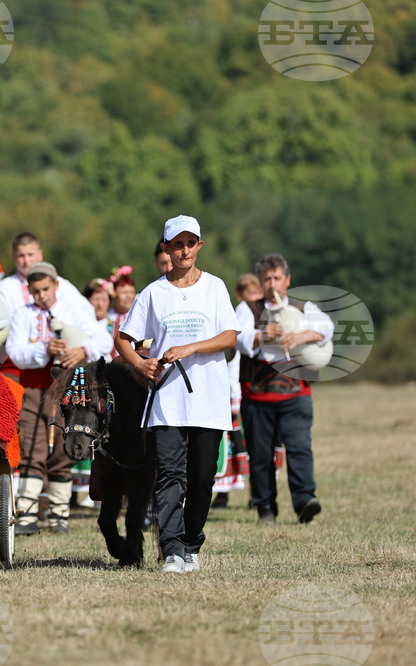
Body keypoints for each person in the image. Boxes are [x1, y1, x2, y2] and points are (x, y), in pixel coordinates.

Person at [116, 215, 240, 573]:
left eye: (190, 243)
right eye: (177, 244)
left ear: (199, 246)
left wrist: (189, 348)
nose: (184, 250)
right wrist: (140, 366)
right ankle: (171, 549)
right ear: (166, 249)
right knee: (169, 475)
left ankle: (190, 544)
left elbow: (229, 337)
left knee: (202, 477)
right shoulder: (153, 293)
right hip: (168, 398)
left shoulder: (215, 287)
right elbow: (125, 339)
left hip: (209, 397)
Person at [6, 262, 112, 535]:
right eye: (35, 290)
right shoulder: (23, 314)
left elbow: (103, 339)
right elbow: (15, 352)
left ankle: (59, 515)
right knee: (32, 446)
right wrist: (42, 348)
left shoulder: (75, 309)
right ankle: (27, 515)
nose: (41, 295)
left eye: (45, 288)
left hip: (70, 387)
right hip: (34, 387)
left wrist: (82, 350)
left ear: (55, 285)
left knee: (66, 446)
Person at [236, 253, 332, 525]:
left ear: (287, 280)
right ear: (261, 282)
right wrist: (264, 334)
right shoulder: (248, 308)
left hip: (296, 392)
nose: (272, 284)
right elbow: (239, 337)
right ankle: (265, 506)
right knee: (261, 453)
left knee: (300, 447)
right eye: (267, 279)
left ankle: (304, 501)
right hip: (257, 393)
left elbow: (327, 327)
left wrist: (303, 334)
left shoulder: (304, 307)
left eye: (277, 278)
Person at [211, 273, 262, 509]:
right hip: (234, 390)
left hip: (248, 390)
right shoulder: (241, 313)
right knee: (233, 447)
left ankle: (256, 492)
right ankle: (224, 493)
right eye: (250, 294)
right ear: (240, 296)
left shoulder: (259, 314)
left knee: (251, 446)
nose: (255, 298)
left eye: (257, 293)